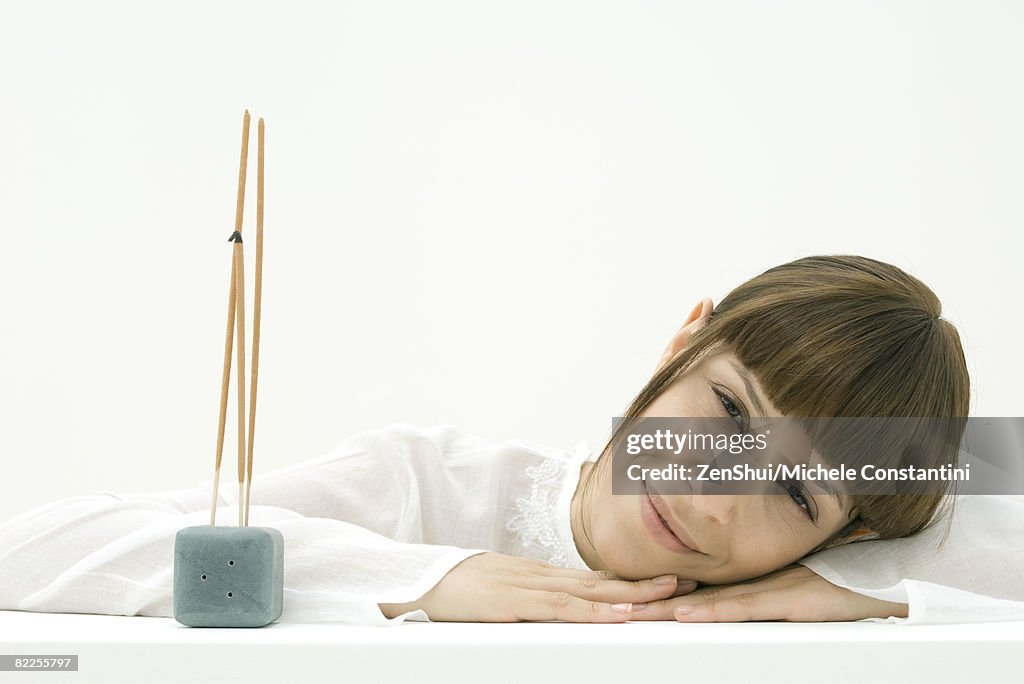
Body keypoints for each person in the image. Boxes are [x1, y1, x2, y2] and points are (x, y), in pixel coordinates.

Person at [2, 255, 1023, 625]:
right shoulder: (424, 484)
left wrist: (864, 583)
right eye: (727, 415)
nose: (715, 498)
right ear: (680, 342)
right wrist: (421, 578)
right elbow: (31, 549)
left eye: (797, 497)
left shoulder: (809, 592)